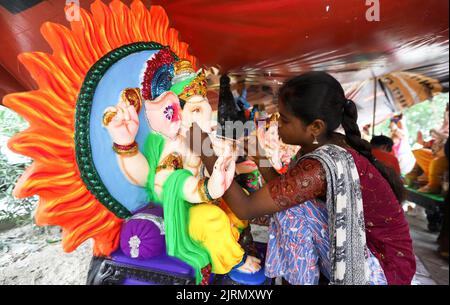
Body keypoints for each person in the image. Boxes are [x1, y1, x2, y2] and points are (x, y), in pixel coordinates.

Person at [190, 71, 416, 285]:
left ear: (315, 126)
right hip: (375, 255)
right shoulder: (323, 146)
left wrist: (204, 148)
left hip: (381, 271)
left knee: (290, 212)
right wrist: (258, 154)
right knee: (287, 205)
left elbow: (246, 208)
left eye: (285, 120)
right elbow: (283, 188)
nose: (277, 124)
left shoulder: (320, 164)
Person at [405, 103, 449, 194]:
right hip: (438, 153)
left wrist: (437, 133)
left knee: (436, 162)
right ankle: (414, 176)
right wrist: (426, 143)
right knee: (419, 152)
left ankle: (433, 185)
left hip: (444, 157)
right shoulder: (445, 124)